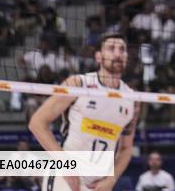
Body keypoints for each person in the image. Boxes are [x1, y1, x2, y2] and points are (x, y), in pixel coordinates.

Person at [28, 34, 139, 191]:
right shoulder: (78, 84)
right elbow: (37, 123)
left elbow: (126, 149)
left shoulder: (132, 99)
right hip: (66, 177)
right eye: (111, 48)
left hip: (98, 184)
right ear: (98, 57)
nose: (118, 53)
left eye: (122, 49)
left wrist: (112, 179)